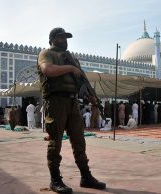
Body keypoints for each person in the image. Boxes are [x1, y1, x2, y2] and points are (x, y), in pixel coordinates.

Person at [37, 27, 106, 193]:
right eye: (61, 37)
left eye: (66, 37)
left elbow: (81, 83)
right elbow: (47, 70)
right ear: (52, 39)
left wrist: (92, 98)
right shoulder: (46, 53)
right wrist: (70, 68)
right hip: (56, 102)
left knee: (79, 141)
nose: (65, 40)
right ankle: (55, 180)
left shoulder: (72, 59)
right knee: (55, 141)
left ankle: (86, 176)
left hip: (72, 102)